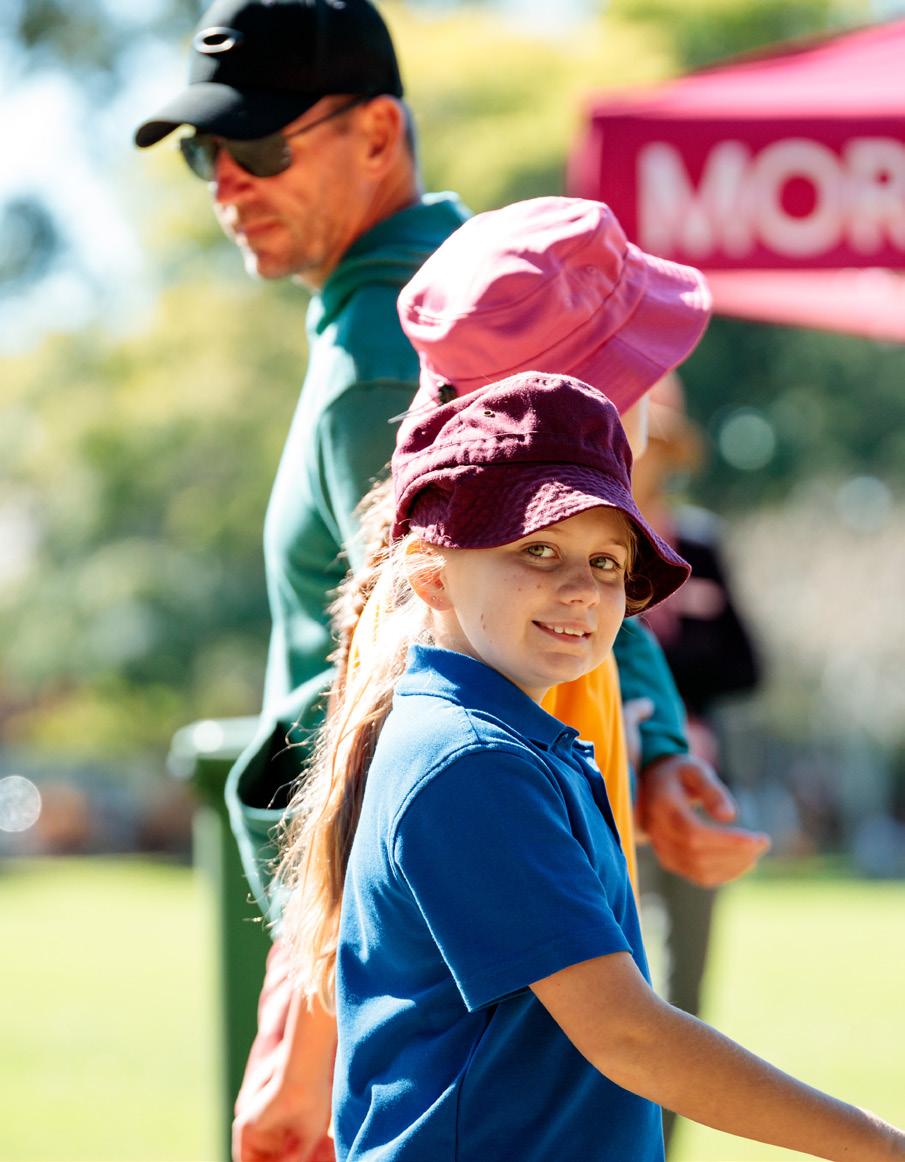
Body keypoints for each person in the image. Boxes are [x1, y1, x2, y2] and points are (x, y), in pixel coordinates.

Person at [132, 1, 756, 1151]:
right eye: (202, 154)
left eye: (257, 144)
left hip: (449, 940)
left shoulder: (411, 342)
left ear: (377, 131)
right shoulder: (474, 281)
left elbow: (385, 688)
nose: (225, 183)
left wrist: (303, 1023)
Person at [279, 371, 905, 1162]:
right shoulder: (471, 761)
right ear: (431, 572)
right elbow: (627, 1036)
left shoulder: (509, 741)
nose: (580, 589)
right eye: (537, 549)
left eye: (607, 562)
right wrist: (879, 1145)